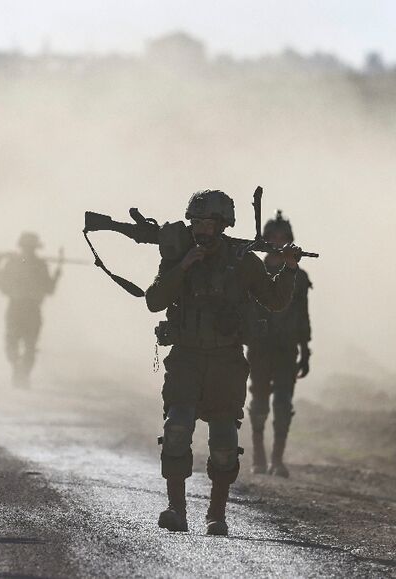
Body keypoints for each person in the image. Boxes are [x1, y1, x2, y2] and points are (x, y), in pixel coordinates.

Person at [145, 189, 302, 536]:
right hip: (185, 357)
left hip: (226, 362)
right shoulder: (178, 255)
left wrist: (290, 269)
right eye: (196, 222)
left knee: (224, 440)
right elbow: (154, 300)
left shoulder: (243, 261)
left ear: (222, 225)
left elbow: (275, 301)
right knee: (177, 427)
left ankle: (216, 515)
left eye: (207, 222)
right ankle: (176, 509)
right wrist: (183, 267)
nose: (200, 228)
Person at [244, 211, 312, 478]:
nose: (278, 241)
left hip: (286, 349)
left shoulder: (299, 276)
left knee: (283, 405)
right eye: (273, 237)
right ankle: (259, 457)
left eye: (283, 237)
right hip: (259, 348)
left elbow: (303, 315)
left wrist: (305, 350)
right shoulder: (253, 269)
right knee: (259, 403)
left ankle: (276, 459)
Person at [0, 232, 62, 387]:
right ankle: (22, 373)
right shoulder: (40, 265)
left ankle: (18, 369)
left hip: (17, 309)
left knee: (15, 344)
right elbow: (50, 289)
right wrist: (58, 272)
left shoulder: (14, 263)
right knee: (28, 345)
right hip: (31, 310)